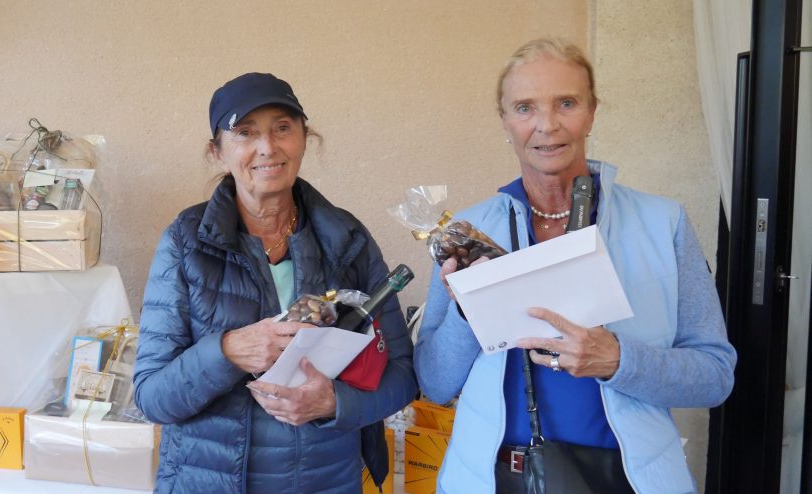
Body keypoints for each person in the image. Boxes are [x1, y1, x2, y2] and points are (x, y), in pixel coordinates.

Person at [414, 38, 736, 493]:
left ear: (591, 111)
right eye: (525, 107)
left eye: (566, 103)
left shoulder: (663, 223)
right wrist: (469, 312)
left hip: (627, 480)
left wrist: (619, 360)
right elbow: (434, 382)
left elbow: (715, 376)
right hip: (493, 480)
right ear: (505, 121)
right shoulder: (469, 234)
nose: (547, 125)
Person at [134, 72, 418, 493]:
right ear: (218, 151)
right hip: (207, 480)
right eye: (245, 133)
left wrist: (335, 403)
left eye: (282, 128)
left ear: (305, 137)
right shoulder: (185, 241)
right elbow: (153, 397)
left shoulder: (347, 239)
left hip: (323, 481)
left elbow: (402, 376)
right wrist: (228, 351)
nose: (268, 148)